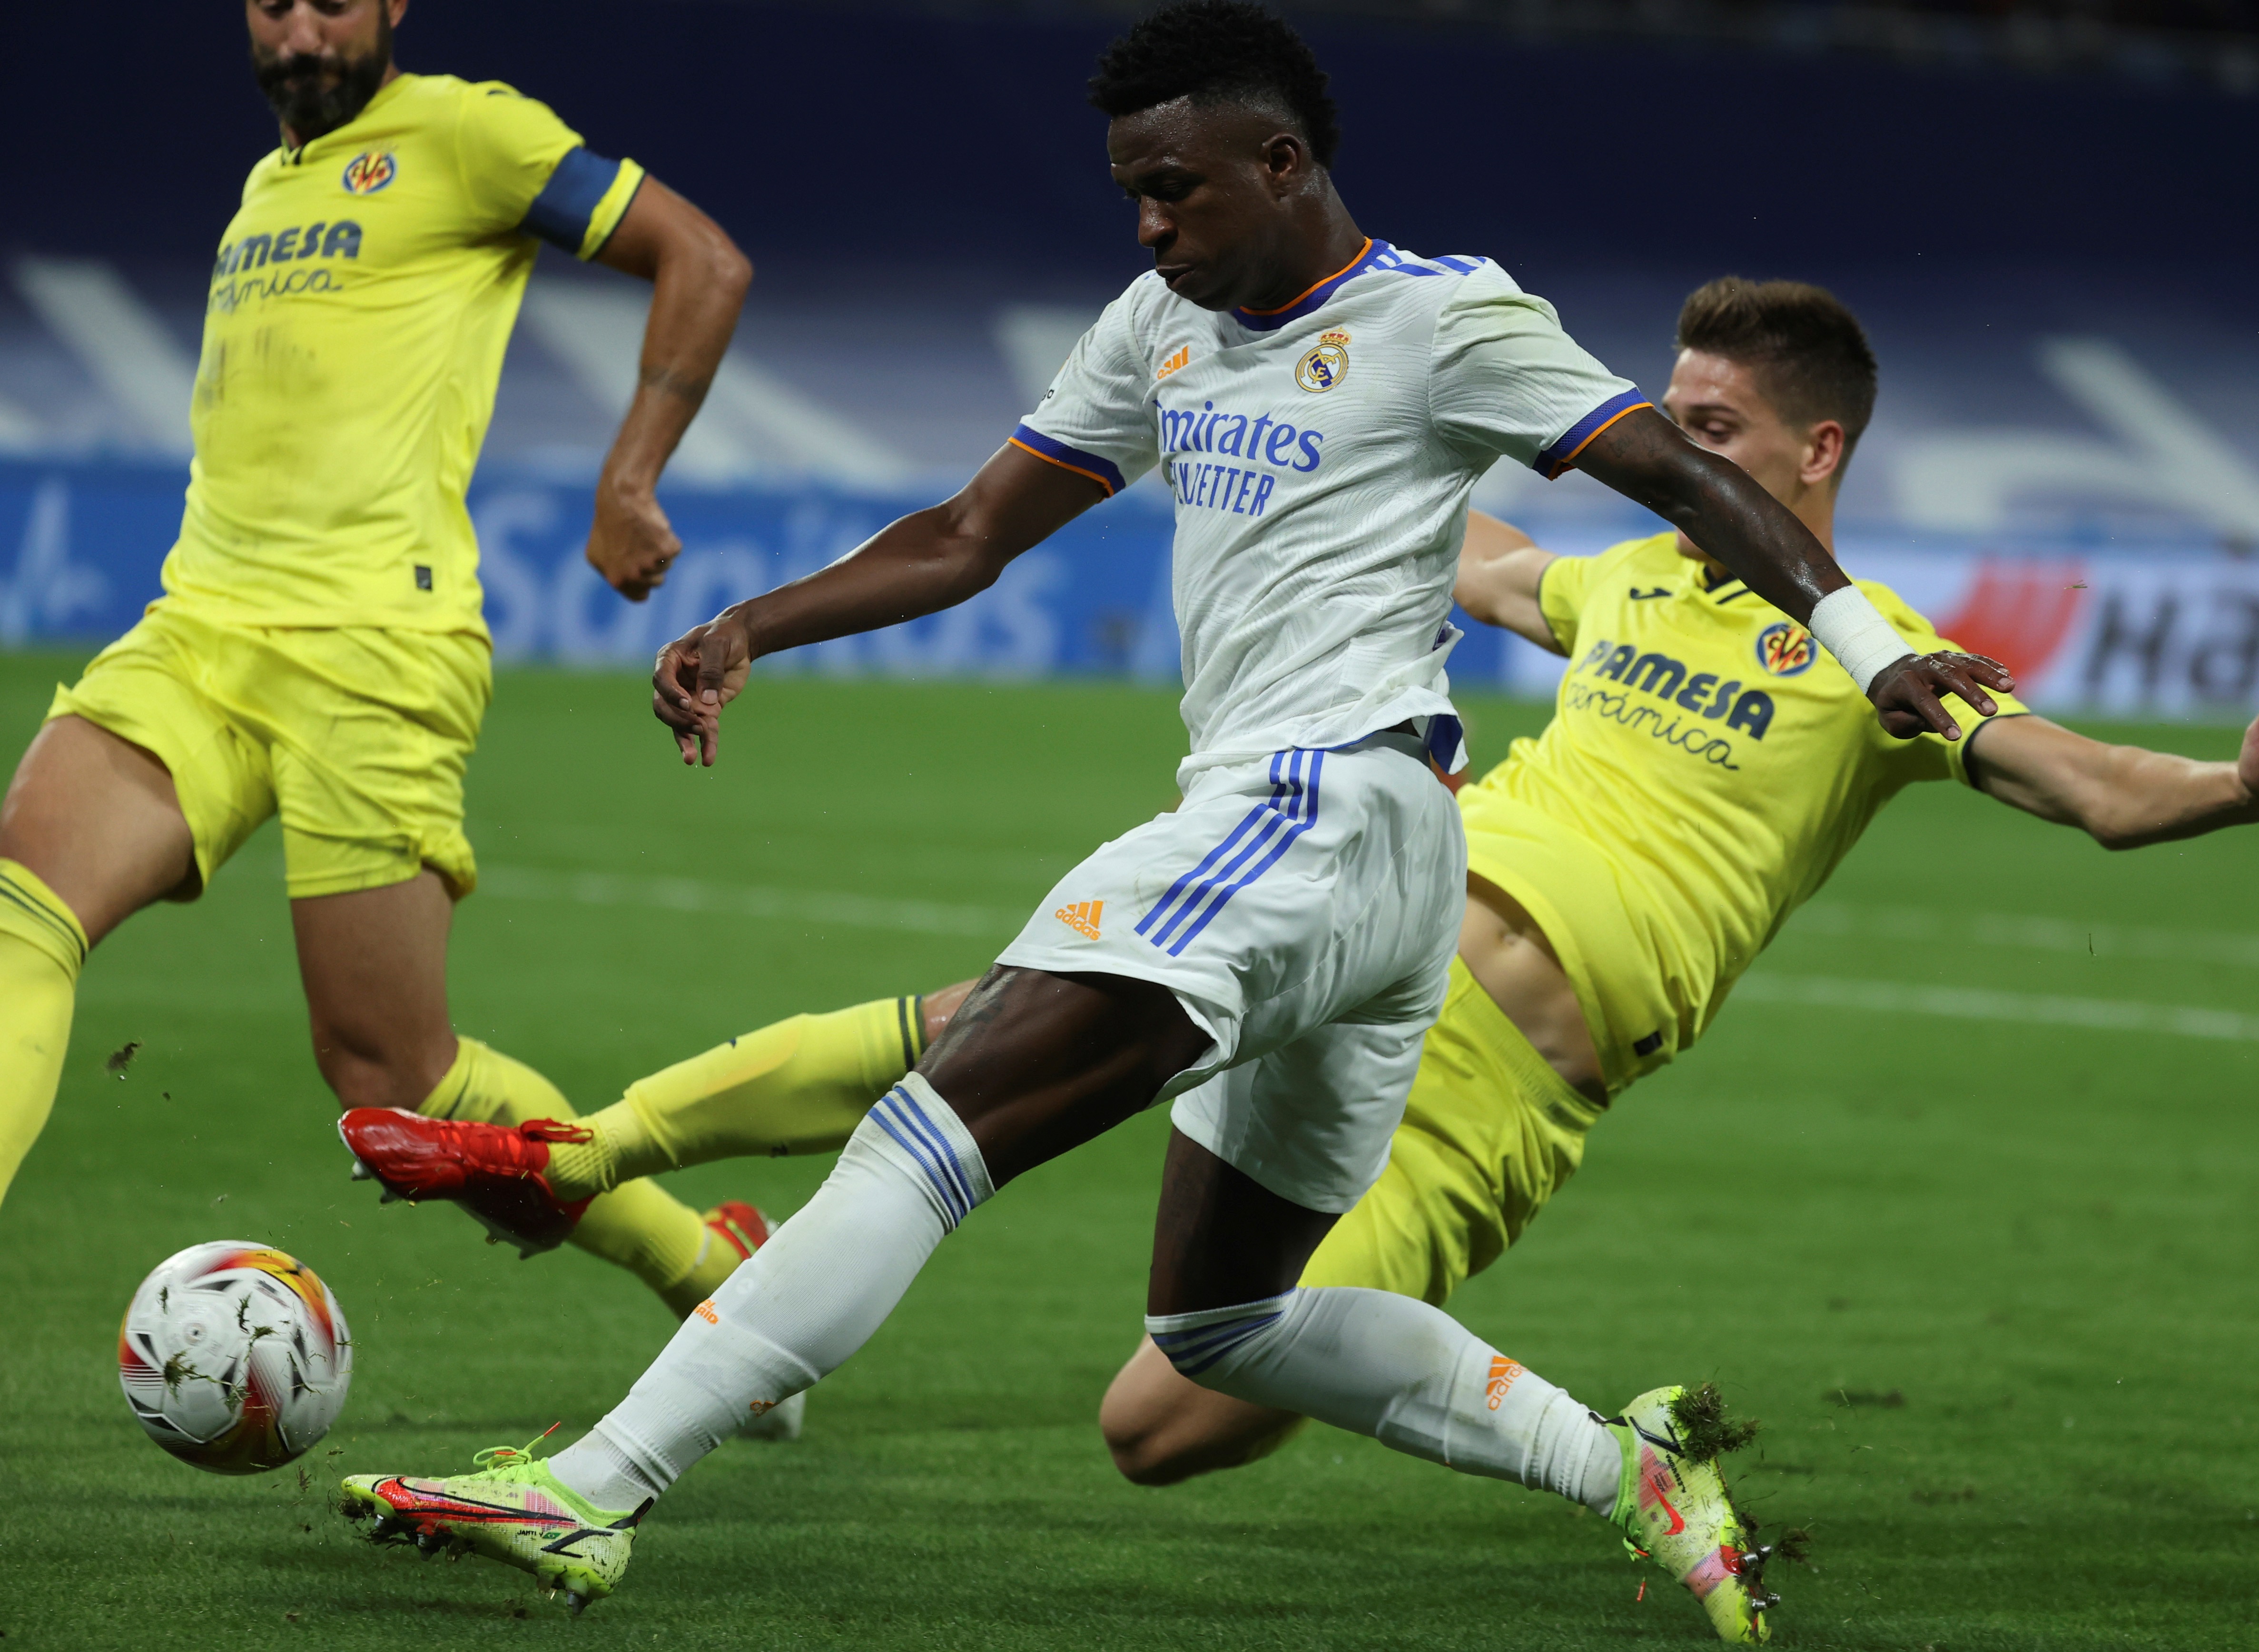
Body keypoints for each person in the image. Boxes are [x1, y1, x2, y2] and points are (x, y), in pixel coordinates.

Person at [332, 9, 2006, 1639]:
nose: (1148, 225)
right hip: (1370, 860)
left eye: (1176, 189)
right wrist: (754, 625)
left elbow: (1690, 482)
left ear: (1281, 164)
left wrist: (1866, 646)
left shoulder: (1446, 320)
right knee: (1222, 1323)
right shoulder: (1159, 324)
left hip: (1321, 804)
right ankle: (1624, 1469)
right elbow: (975, 531)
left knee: (940, 1116)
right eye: (1131, 191)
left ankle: (599, 1486)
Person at [0, 0, 782, 1321]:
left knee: (391, 1077)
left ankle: (709, 1273)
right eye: (274, 4)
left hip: (373, 647)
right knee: (22, 904)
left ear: (391, 9)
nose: (302, 28)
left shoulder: (468, 131)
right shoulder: (267, 186)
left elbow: (703, 261)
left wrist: (628, 478)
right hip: (199, 628)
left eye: (334, 2)